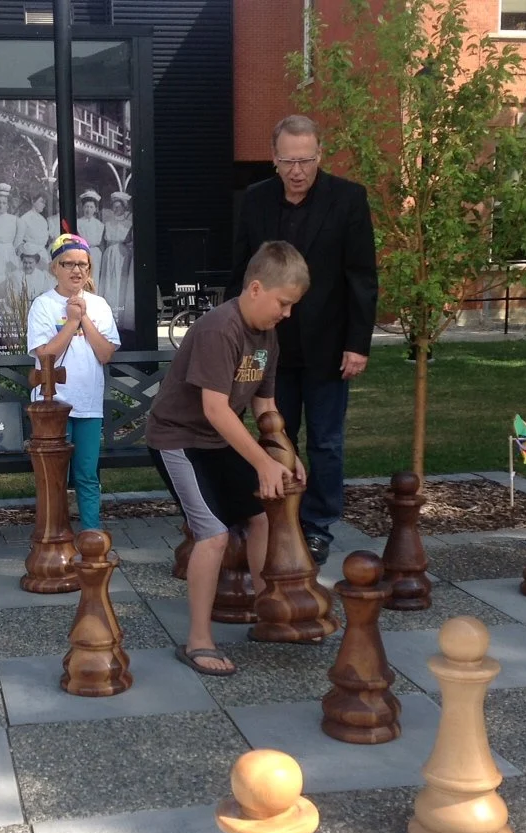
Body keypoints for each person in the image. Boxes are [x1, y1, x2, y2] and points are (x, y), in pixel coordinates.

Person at [147, 241, 310, 676]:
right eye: (284, 303)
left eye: (293, 306)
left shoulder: (267, 334)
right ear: (256, 289)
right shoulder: (221, 328)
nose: (287, 313)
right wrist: (261, 463)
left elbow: (265, 406)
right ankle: (198, 641)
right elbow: (216, 409)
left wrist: (286, 455)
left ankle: (267, 609)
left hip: (216, 441)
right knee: (213, 535)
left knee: (260, 517)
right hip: (177, 440)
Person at [229, 115, 379, 566]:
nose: (298, 170)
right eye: (289, 160)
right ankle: (276, 516)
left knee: (326, 442)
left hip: (329, 347)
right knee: (274, 432)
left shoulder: (348, 199)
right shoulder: (254, 201)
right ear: (274, 159)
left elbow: (362, 278)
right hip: (266, 346)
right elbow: (239, 272)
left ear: (319, 155)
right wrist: (237, 337)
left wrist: (358, 343)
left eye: (307, 160)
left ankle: (317, 524)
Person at [26, 233, 121, 532]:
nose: (76, 270)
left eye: (83, 264)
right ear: (55, 267)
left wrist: (84, 319)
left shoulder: (100, 305)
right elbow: (45, 356)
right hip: (52, 408)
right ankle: (55, 537)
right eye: (68, 263)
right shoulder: (42, 305)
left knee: (87, 475)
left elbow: (105, 353)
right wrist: (69, 323)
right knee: (54, 477)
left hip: (89, 406)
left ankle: (91, 536)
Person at [98, 191, 133, 329]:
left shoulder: (128, 224)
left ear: (124, 208)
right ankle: (108, 316)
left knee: (120, 282)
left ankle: (120, 317)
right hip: (109, 254)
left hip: (122, 255)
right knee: (109, 282)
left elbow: (130, 241)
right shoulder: (107, 224)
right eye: (114, 207)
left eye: (119, 207)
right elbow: (103, 242)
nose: (116, 210)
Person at [14, 191, 53, 267]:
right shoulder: (25, 218)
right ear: (33, 201)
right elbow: (18, 242)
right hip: (29, 256)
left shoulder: (43, 220)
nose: (44, 205)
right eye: (41, 202)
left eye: (44, 203)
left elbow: (44, 240)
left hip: (42, 255)